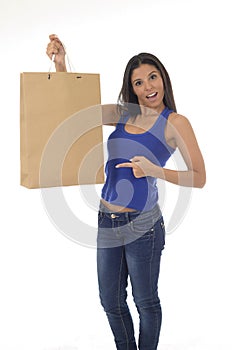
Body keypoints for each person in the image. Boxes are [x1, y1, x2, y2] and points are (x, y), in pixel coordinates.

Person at [46, 34, 206, 350]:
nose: (147, 87)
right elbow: (77, 113)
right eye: (138, 83)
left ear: (163, 78)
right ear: (130, 89)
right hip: (107, 220)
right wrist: (61, 64)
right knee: (111, 301)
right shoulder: (124, 113)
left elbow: (199, 177)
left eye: (152, 77)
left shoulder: (175, 122)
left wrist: (154, 170)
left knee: (144, 301)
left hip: (143, 225)